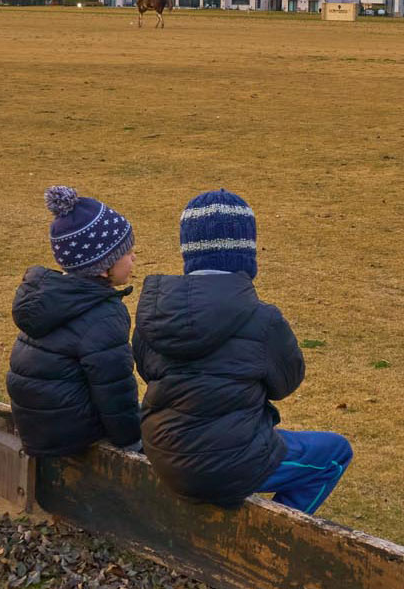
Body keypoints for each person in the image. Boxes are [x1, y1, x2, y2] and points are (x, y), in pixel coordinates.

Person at [133, 190, 353, 515]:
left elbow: (145, 367)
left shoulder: (154, 313)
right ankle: (276, 539)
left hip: (164, 451)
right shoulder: (262, 319)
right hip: (229, 462)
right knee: (336, 453)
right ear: (246, 254)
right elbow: (285, 384)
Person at [6, 186, 141, 457]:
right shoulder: (103, 315)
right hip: (71, 435)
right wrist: (133, 442)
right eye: (127, 253)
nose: (134, 258)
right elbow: (115, 388)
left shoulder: (52, 299)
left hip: (38, 427)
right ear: (104, 266)